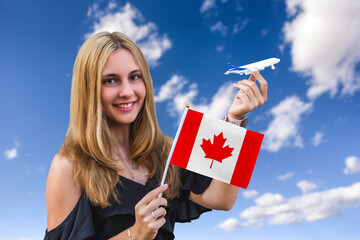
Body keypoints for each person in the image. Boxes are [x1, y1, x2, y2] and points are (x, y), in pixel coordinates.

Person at [45, 31, 268, 240]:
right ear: (89, 89)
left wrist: (236, 119)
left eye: (134, 77)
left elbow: (222, 199)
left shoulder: (167, 148)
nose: (127, 91)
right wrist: (134, 234)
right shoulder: (68, 165)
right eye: (110, 80)